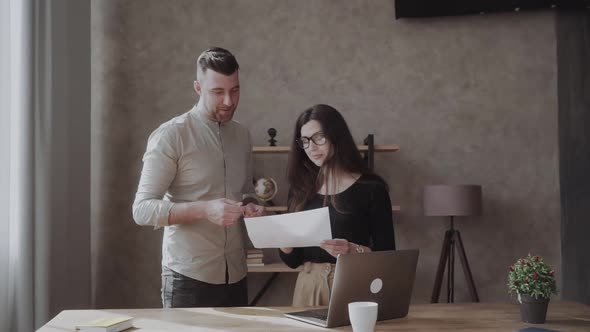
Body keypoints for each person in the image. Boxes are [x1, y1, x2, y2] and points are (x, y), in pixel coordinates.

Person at [132, 47, 265, 308]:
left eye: (235, 90)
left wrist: (251, 205)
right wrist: (204, 209)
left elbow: (245, 190)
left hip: (237, 273)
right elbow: (142, 210)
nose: (229, 100)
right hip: (187, 278)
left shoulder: (243, 136)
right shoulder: (171, 135)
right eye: (218, 92)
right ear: (197, 87)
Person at [279, 104, 395, 307]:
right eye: (305, 141)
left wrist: (353, 250)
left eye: (318, 137)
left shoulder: (371, 188)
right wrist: (285, 245)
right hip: (308, 286)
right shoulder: (301, 190)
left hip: (354, 283)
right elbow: (293, 261)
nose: (311, 147)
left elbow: (388, 256)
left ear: (336, 136)